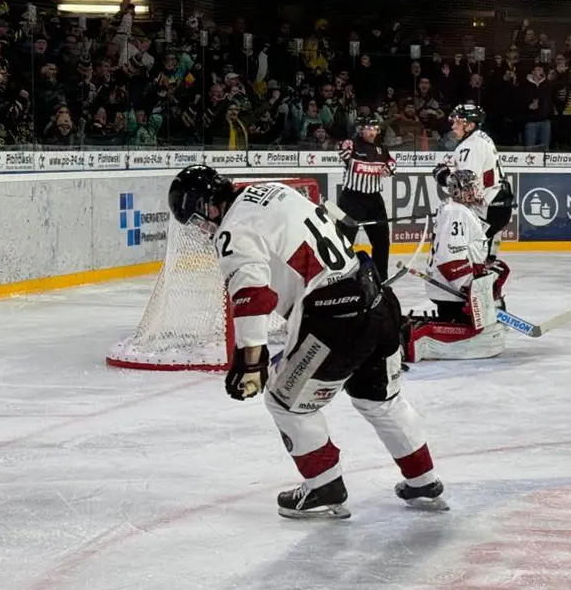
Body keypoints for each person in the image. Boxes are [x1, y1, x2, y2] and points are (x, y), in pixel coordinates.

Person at [167, 165, 444, 518]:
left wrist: (250, 360)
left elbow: (252, 294)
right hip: (378, 300)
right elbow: (342, 222)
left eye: (197, 219)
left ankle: (323, 486)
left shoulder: (232, 230)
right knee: (381, 401)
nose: (202, 229)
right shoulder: (273, 187)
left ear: (207, 205)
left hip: (335, 320)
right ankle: (424, 479)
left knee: (284, 401)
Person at [405, 170, 509, 360]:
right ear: (458, 191)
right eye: (471, 188)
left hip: (449, 285)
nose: (477, 191)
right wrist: (468, 288)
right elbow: (449, 258)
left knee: (500, 273)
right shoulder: (456, 213)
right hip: (450, 290)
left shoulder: (458, 208)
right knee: (480, 326)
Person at [436, 103, 513, 245]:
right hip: (500, 203)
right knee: (484, 257)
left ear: (470, 125)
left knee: (460, 249)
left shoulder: (470, 145)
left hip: (488, 208)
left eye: (458, 122)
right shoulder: (482, 138)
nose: (453, 127)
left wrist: (443, 176)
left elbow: (467, 190)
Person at [336, 120, 395, 279]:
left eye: (375, 129)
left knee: (382, 242)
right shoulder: (353, 144)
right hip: (352, 200)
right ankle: (340, 278)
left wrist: (390, 166)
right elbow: (341, 148)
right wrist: (342, 145)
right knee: (344, 242)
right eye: (369, 129)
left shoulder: (381, 148)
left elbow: (390, 161)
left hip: (374, 200)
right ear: (361, 130)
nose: (372, 133)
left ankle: (381, 279)